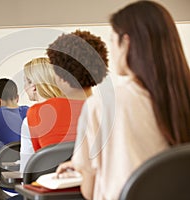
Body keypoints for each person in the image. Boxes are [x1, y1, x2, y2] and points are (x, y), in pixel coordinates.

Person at [56, 1, 190, 200]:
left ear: (126, 43)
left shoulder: (102, 106)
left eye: (112, 40)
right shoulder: (182, 96)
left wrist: (85, 171)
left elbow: (89, 191)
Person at [21, 30, 108, 173]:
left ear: (61, 76)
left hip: (53, 192)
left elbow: (28, 172)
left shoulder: (35, 114)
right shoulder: (111, 110)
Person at [20, 57, 63, 172]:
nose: (24, 87)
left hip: (45, 186)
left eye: (25, 81)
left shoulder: (30, 120)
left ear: (33, 86)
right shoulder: (77, 110)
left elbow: (25, 169)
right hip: (80, 185)